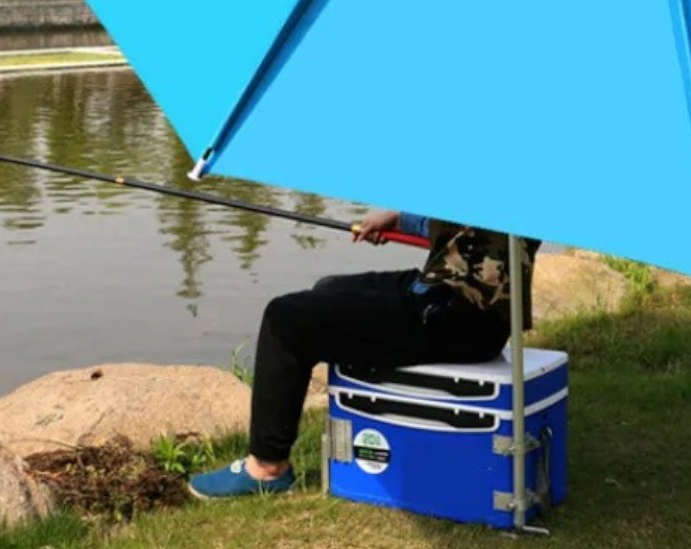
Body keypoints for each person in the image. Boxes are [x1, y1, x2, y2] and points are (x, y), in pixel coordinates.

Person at [189, 209, 540, 498]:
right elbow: (459, 226)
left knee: (287, 319)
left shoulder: (514, 175)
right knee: (329, 289)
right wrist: (398, 219)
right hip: (436, 289)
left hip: (460, 316)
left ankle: (267, 468)